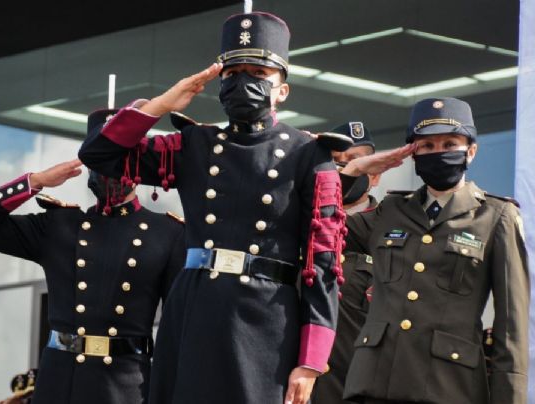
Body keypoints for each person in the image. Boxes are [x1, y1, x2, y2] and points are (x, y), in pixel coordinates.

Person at [78, 11, 345, 404]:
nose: (243, 82)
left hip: (265, 319)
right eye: (232, 72)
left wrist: (312, 361)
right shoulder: (193, 145)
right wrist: (165, 102)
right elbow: (100, 154)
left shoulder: (309, 154)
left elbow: (323, 265)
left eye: (258, 72)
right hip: (195, 309)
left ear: (282, 89)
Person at [0, 109, 186, 404]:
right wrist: (34, 181)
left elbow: (176, 329)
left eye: (120, 158)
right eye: (101, 160)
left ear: (137, 164)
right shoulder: (59, 225)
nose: (110, 170)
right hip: (60, 380)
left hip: (126, 385)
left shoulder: (167, 233)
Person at [339, 97, 529, 403]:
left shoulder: (497, 217)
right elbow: (318, 225)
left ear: (471, 151)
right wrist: (351, 173)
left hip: (449, 388)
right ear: (413, 154)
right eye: (426, 147)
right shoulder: (390, 211)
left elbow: (511, 328)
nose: (438, 153)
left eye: (449, 143)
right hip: (374, 385)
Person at [311, 122, 379, 404]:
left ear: (374, 174)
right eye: (337, 161)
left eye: (356, 161)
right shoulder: (301, 224)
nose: (345, 169)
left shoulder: (393, 228)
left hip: (362, 387)